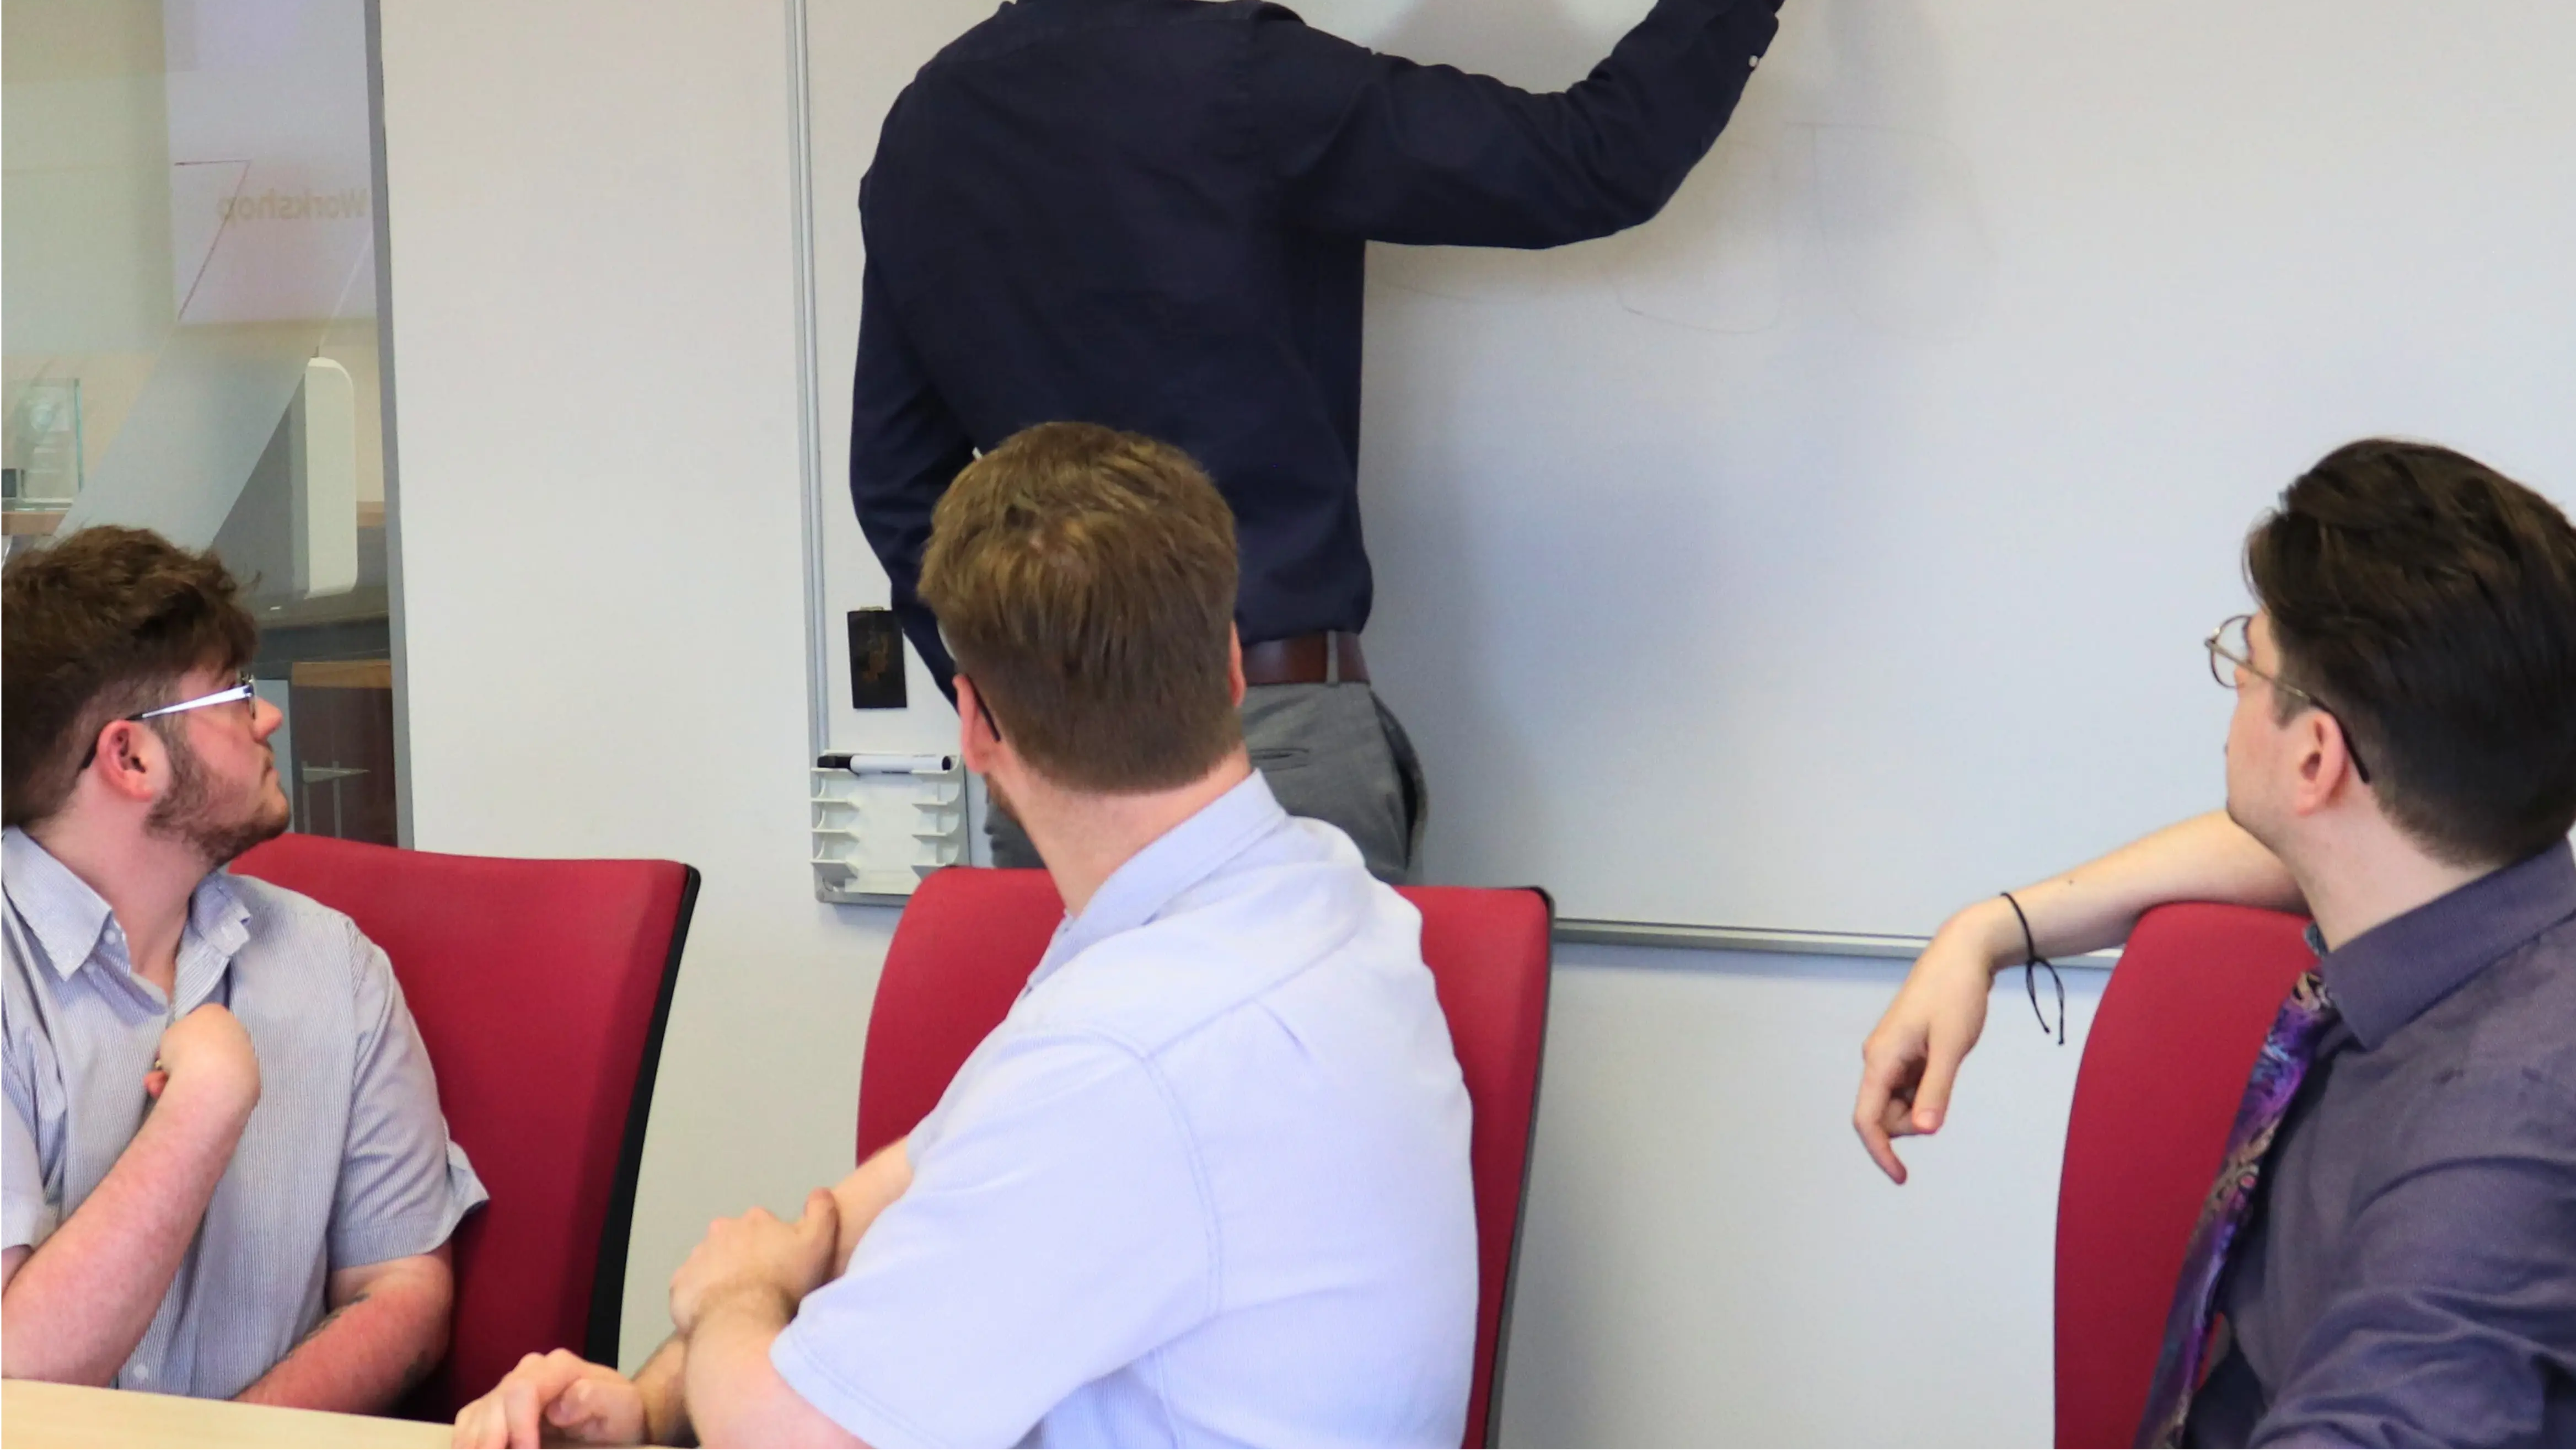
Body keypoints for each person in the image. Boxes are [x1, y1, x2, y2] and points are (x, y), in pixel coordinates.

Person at [851, 0, 1836, 879]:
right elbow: (1596, 161)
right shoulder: (1241, 81)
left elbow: (899, 484)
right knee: (1313, 1069)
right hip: (1262, 757)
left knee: (1103, 1066)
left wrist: (1011, 700)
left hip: (1056, 781)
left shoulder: (927, 126)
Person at [457, 422, 1475, 1451]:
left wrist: (732, 1303)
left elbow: (795, 1437)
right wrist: (653, 1405)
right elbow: (879, 1212)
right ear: (1228, 665)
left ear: (977, 724)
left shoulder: (1124, 1057)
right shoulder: (1321, 896)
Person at [1854, 440, 2576, 1449]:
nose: (2234, 684)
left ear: (2317, 757)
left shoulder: (2518, 1129)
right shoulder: (2490, 896)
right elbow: (2306, 844)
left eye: (2247, 658)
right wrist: (1987, 933)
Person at [0, 527, 484, 1410]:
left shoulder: (334, 966)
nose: (268, 717)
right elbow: (15, 1375)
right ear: (132, 758)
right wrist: (202, 1110)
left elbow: (403, 1294)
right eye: (233, 696)